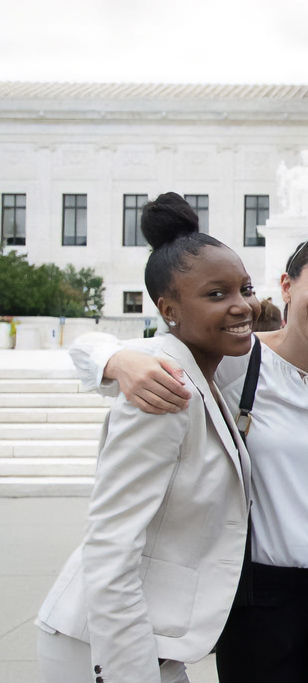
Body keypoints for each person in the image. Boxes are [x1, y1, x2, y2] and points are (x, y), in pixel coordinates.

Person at [68, 219, 308, 682]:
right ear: (287, 286)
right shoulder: (236, 359)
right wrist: (118, 361)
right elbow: (86, 347)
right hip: (262, 589)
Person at [36, 193, 255, 683]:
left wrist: (111, 357)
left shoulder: (207, 375)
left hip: (153, 640)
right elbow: (111, 548)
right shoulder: (162, 391)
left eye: (245, 288)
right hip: (101, 647)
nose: (242, 305)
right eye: (216, 294)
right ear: (168, 309)